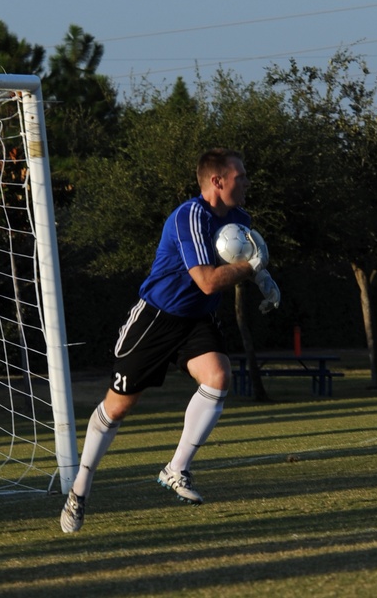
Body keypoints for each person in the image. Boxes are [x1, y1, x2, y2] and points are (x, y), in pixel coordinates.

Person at [60, 148, 280, 533]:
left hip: (197, 319)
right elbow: (208, 280)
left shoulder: (240, 219)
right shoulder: (189, 216)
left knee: (218, 376)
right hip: (156, 319)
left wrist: (265, 281)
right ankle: (79, 490)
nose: (247, 183)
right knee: (118, 409)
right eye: (240, 176)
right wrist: (251, 269)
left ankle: (176, 469)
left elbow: (251, 256)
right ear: (217, 181)